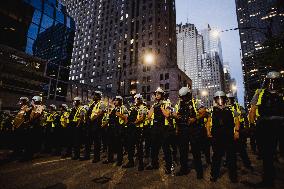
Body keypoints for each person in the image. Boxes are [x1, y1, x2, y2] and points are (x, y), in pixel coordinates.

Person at [249, 71, 284, 187]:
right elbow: (253, 110)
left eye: (275, 82)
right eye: (271, 81)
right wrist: (253, 124)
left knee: (267, 155)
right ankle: (269, 180)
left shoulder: (260, 92)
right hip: (267, 125)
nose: (272, 84)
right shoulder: (260, 93)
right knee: (267, 155)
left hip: (270, 125)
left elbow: (252, 110)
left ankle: (269, 181)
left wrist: (253, 124)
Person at [173, 87, 203, 178]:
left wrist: (195, 119)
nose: (182, 98)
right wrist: (175, 116)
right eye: (181, 97)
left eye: (184, 97)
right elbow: (174, 113)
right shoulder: (178, 104)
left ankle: (199, 171)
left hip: (193, 129)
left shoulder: (195, 102)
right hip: (182, 129)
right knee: (182, 151)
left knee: (195, 150)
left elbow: (203, 112)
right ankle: (184, 169)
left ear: (188, 95)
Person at [210, 91, 240, 183]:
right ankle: (214, 175)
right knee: (216, 157)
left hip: (229, 135)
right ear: (215, 100)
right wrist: (208, 132)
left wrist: (237, 131)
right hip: (217, 136)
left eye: (222, 98)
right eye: (218, 98)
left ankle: (233, 176)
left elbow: (237, 120)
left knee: (231, 156)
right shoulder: (212, 110)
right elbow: (208, 122)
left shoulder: (231, 109)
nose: (220, 100)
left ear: (225, 99)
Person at [146, 87, 173, 174]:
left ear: (162, 95)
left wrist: (161, 107)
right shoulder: (154, 105)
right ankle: (154, 164)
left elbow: (167, 114)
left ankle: (168, 167)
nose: (156, 95)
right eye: (155, 94)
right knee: (153, 148)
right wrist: (153, 108)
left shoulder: (167, 102)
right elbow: (149, 116)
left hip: (164, 128)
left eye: (158, 94)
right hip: (155, 128)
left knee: (166, 148)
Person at [227, 93, 253, 171]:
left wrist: (246, 128)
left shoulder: (238, 107)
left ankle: (247, 163)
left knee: (241, 148)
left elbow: (244, 117)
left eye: (230, 99)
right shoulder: (225, 108)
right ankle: (230, 163)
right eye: (227, 99)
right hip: (229, 129)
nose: (228, 101)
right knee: (229, 149)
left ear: (232, 99)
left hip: (239, 129)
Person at [123, 94, 147, 171]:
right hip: (131, 129)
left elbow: (142, 118)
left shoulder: (144, 107)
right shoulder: (132, 108)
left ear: (140, 100)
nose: (135, 100)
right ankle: (130, 162)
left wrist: (134, 123)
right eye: (135, 99)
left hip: (138, 129)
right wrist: (127, 122)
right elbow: (128, 117)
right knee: (130, 146)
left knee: (139, 147)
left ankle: (141, 164)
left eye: (137, 99)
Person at [103, 96, 128, 166]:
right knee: (110, 144)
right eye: (114, 100)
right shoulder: (114, 109)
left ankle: (119, 161)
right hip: (111, 129)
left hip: (118, 129)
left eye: (116, 100)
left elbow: (126, 118)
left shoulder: (123, 108)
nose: (115, 102)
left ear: (120, 101)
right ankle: (110, 159)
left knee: (119, 146)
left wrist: (120, 115)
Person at [88, 91, 106, 163]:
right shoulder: (92, 104)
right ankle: (89, 155)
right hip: (91, 124)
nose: (93, 97)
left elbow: (101, 112)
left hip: (97, 123)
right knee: (91, 140)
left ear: (98, 96)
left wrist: (93, 118)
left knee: (97, 141)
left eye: (94, 95)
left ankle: (97, 157)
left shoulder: (102, 104)